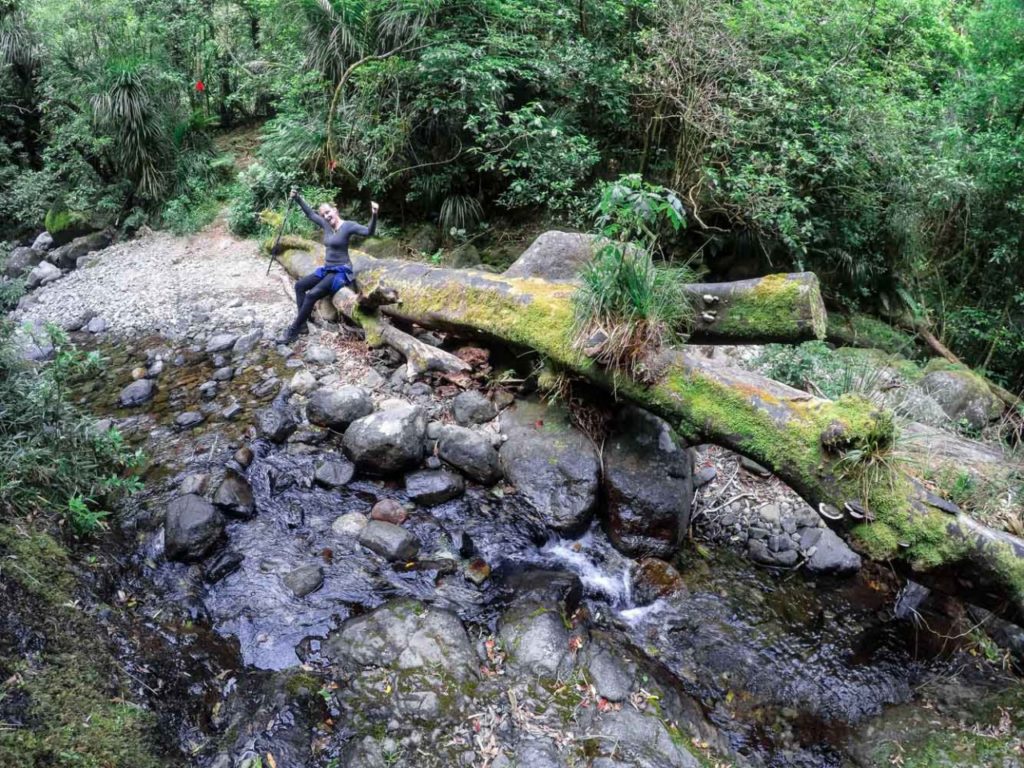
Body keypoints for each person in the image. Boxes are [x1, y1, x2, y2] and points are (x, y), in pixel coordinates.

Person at [278, 188, 379, 343]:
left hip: (341, 271)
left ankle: (294, 330)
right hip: (327, 269)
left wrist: (374, 214)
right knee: (299, 286)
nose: (326, 216)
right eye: (323, 214)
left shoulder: (348, 226)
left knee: (312, 295)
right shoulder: (326, 225)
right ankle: (303, 324)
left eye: (327, 212)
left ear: (335, 210)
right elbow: (310, 214)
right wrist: (298, 198)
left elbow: (368, 232)